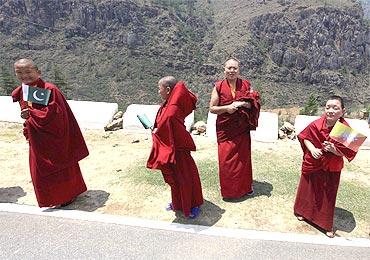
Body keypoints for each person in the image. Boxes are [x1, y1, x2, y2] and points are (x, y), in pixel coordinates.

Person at [11, 58, 88, 208]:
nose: (24, 76)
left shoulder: (49, 89)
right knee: (40, 168)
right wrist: (29, 118)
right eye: (19, 73)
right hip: (37, 136)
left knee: (60, 164)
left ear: (38, 72)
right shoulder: (24, 89)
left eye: (28, 72)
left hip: (55, 136)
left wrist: (31, 114)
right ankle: (51, 198)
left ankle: (68, 195)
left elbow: (55, 114)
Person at [293, 95, 358, 238]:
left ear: (342, 111)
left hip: (332, 166)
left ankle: (325, 224)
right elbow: (305, 137)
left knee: (327, 195)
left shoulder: (344, 129)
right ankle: (304, 213)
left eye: (335, 108)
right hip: (314, 162)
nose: (331, 110)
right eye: (328, 107)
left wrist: (334, 150)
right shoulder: (317, 123)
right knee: (308, 189)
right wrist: (312, 149)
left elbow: (350, 152)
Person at [146, 76, 203, 218]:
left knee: (184, 177)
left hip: (177, 148)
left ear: (168, 89)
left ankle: (192, 204)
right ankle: (178, 202)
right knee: (177, 178)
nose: (158, 91)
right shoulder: (169, 103)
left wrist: (157, 132)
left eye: (160, 88)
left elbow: (170, 126)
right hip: (173, 146)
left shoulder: (172, 109)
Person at [209, 58, 261, 200]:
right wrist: (227, 108)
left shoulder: (246, 84)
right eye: (229, 68)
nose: (232, 71)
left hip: (241, 128)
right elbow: (212, 109)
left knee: (243, 159)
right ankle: (228, 190)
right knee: (226, 160)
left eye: (235, 68)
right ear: (224, 69)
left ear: (239, 70)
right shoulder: (218, 86)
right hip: (225, 129)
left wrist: (245, 105)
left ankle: (245, 187)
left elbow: (253, 104)